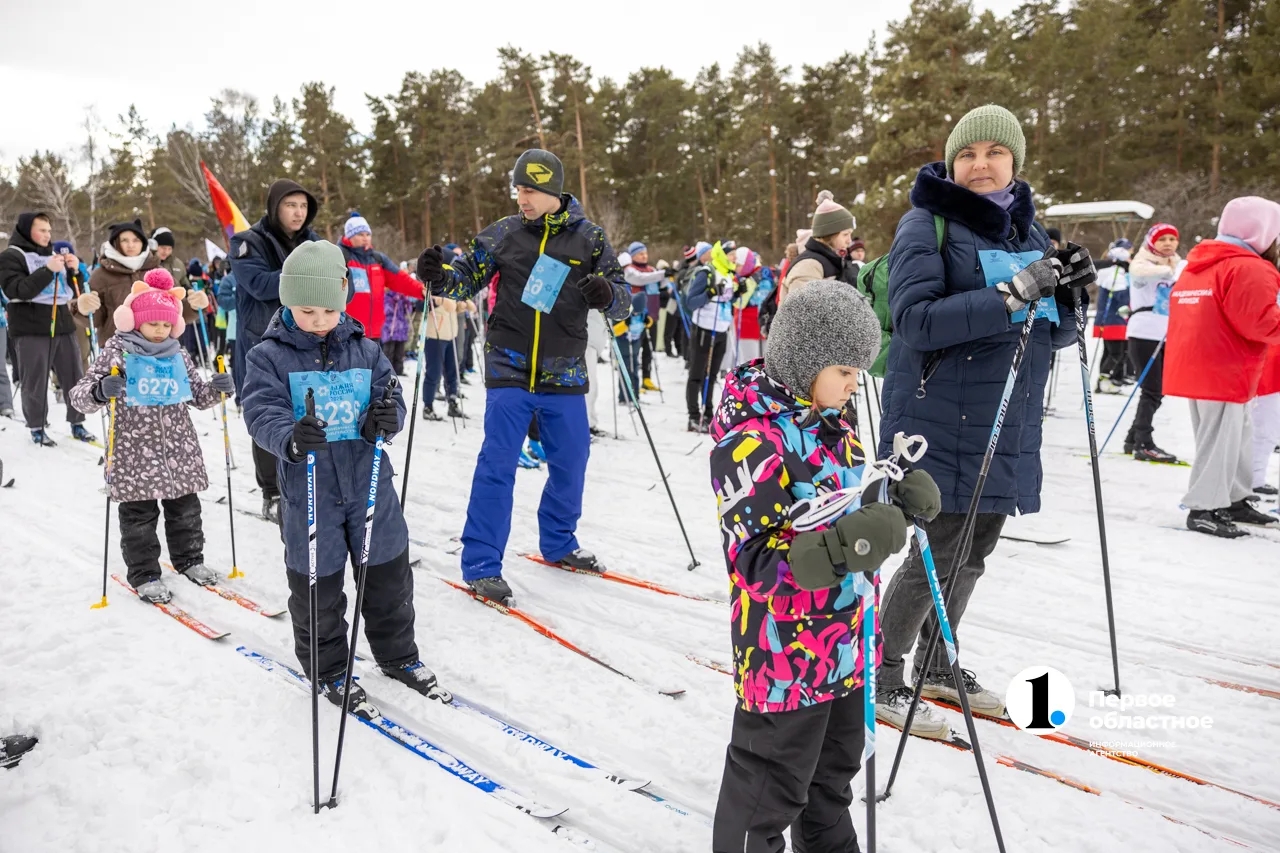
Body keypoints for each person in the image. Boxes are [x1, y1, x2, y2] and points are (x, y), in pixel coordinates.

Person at [709, 279, 941, 853]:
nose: (854, 382)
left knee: (832, 777)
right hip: (782, 655)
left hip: (847, 641)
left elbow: (850, 510)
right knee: (768, 786)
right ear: (805, 360)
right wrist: (842, 548)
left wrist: (893, 503)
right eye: (844, 369)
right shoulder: (749, 441)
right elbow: (755, 563)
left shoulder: (835, 426)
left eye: (859, 370)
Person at [876, 105, 1081, 735]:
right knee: (937, 551)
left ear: (1015, 163)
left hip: (1007, 420)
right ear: (952, 162)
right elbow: (916, 321)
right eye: (968, 153)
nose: (980, 164)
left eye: (995, 152)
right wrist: (1014, 292)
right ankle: (880, 675)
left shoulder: (1031, 235)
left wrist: (1068, 293)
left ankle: (938, 664)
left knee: (976, 550)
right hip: (938, 415)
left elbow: (1056, 334)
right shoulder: (926, 224)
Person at [415, 148, 628, 605]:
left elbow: (624, 299)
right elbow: (462, 280)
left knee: (571, 462)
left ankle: (559, 542)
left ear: (553, 191)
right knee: (498, 465)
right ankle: (482, 564)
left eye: (529, 190)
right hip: (509, 366)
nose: (521, 199)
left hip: (564, 371)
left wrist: (608, 292)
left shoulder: (589, 239)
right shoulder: (504, 234)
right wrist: (435, 276)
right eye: (518, 190)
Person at [242, 240, 450, 706]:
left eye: (328, 311)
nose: (318, 321)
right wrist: (291, 437)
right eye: (306, 310)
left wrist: (385, 416)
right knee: (320, 588)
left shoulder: (366, 348)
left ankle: (398, 655)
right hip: (311, 488)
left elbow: (388, 394)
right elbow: (259, 410)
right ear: (288, 302)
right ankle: (330, 667)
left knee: (387, 577)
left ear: (343, 300)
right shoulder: (268, 356)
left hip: (370, 483)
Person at [68, 268, 235, 602]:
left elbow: (197, 396)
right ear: (134, 321)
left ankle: (189, 560)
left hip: (178, 450)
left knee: (186, 511)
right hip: (134, 451)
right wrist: (101, 389)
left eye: (165, 324)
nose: (159, 330)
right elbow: (79, 395)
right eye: (152, 323)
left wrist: (218, 390)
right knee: (139, 518)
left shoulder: (178, 353)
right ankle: (144, 573)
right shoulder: (117, 352)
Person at [1165, 196, 1280, 537]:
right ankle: (1204, 506)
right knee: (1222, 437)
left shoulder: (1201, 263)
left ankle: (1233, 496)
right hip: (1226, 366)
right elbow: (1260, 322)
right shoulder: (1248, 266)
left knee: (1235, 435)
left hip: (1200, 362)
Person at [230, 180, 321, 522]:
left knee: (309, 414)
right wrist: (309, 273)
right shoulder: (246, 242)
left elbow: (342, 284)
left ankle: (310, 485)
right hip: (262, 344)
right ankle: (272, 493)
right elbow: (260, 285)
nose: (298, 212)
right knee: (268, 415)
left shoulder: (315, 242)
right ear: (274, 207)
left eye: (303, 206)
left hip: (309, 341)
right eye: (290, 205)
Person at [0, 212, 95, 446]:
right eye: (42, 230)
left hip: (62, 322)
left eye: (49, 231)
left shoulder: (53, 255)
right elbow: (16, 290)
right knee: (35, 379)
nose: (47, 235)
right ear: (26, 231)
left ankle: (77, 422)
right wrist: (47, 271)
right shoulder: (12, 256)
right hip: (30, 325)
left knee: (74, 374)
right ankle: (37, 426)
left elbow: (73, 291)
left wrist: (75, 271)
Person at [1118, 223, 1183, 462]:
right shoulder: (1142, 262)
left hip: (1165, 332)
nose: (1167, 243)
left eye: (1172, 239)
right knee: (1152, 389)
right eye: (1162, 239)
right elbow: (1139, 272)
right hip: (1144, 331)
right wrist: (1170, 271)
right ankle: (1144, 443)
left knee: (1158, 389)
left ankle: (1133, 437)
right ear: (1152, 242)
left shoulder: (1176, 264)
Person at [338, 213, 426, 345]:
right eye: (360, 234)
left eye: (368, 234)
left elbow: (401, 279)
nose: (365, 238)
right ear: (349, 236)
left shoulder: (378, 260)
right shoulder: (340, 256)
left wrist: (421, 290)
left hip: (376, 334)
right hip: (348, 333)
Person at [684, 241, 735, 432]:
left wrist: (738, 293)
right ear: (722, 255)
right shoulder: (706, 273)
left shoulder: (729, 274)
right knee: (697, 374)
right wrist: (710, 292)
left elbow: (727, 300)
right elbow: (690, 301)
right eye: (731, 254)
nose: (735, 258)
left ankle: (708, 413)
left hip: (721, 329)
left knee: (712, 375)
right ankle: (693, 415)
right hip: (704, 329)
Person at [778, 191, 858, 303]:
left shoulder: (833, 261)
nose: (849, 240)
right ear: (830, 234)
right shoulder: (808, 266)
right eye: (845, 234)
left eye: (850, 234)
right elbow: (802, 313)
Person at [624, 242, 666, 391]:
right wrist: (662, 274)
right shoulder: (630, 270)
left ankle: (646, 378)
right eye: (640, 253)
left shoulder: (651, 269)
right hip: (637, 317)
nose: (644, 256)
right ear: (633, 255)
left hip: (652, 315)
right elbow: (641, 279)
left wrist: (668, 274)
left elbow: (661, 283)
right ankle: (634, 380)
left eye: (645, 253)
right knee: (636, 349)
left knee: (650, 349)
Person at [1093, 239, 1133, 394]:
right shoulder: (1115, 273)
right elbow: (1122, 298)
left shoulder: (1113, 272)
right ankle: (1104, 380)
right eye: (1129, 254)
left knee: (1111, 352)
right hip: (1113, 320)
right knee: (1116, 352)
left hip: (1112, 319)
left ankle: (1109, 380)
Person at [421, 292, 467, 422]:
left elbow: (453, 308)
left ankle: (452, 400)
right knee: (434, 372)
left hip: (450, 334)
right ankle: (428, 406)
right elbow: (421, 304)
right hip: (435, 334)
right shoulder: (432, 283)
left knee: (452, 370)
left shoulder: (452, 286)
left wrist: (460, 305)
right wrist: (437, 301)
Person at [613, 250, 646, 402]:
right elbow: (614, 329)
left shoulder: (637, 296)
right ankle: (624, 395)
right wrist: (624, 325)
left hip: (635, 340)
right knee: (625, 367)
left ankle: (635, 395)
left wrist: (646, 321)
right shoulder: (619, 297)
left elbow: (646, 318)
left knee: (634, 367)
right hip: (623, 341)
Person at [382, 286, 416, 376]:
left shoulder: (402, 299)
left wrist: (407, 303)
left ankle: (399, 370)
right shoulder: (387, 296)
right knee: (389, 352)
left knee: (399, 353)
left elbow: (408, 311)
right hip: (390, 329)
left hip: (401, 329)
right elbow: (386, 310)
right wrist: (394, 301)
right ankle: (387, 371)